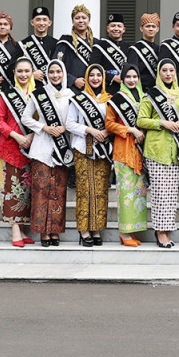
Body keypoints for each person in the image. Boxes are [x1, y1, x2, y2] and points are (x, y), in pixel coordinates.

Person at [137, 57, 179, 247]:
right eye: (164, 70)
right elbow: (141, 120)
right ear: (159, 73)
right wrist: (162, 123)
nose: (168, 73)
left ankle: (167, 230)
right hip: (156, 149)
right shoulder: (151, 95)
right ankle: (160, 232)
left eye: (171, 70)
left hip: (175, 150)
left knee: (171, 194)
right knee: (159, 193)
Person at [22, 59, 74, 246]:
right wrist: (44, 127)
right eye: (51, 72)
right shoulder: (39, 95)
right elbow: (26, 118)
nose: (55, 75)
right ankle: (43, 232)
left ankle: (55, 231)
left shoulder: (71, 95)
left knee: (58, 192)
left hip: (62, 148)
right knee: (41, 191)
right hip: (42, 148)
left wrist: (64, 128)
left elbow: (75, 119)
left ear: (64, 73)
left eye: (58, 72)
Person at [65, 64, 113, 247]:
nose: (95, 78)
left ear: (103, 78)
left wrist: (107, 132)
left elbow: (115, 122)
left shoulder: (109, 99)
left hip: (103, 149)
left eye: (98, 75)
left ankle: (96, 229)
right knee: (85, 190)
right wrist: (90, 130)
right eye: (91, 75)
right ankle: (84, 230)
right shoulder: (79, 99)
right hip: (82, 148)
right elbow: (69, 124)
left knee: (100, 191)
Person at [0, 57, 36, 247]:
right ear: (14, 74)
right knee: (11, 189)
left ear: (32, 73)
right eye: (20, 71)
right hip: (10, 147)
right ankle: (15, 230)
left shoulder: (38, 95)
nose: (23, 75)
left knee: (27, 190)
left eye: (27, 71)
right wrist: (17, 137)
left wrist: (32, 136)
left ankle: (23, 227)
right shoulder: (6, 95)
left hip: (32, 148)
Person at [105, 64, 148, 246]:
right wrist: (130, 129)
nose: (131, 80)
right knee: (125, 193)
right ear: (122, 79)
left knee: (138, 193)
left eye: (134, 76)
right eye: (128, 77)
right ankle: (124, 233)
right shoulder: (116, 99)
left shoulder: (144, 97)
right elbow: (109, 124)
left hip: (140, 150)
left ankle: (133, 230)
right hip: (123, 150)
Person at [55, 4, 95, 90]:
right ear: (73, 21)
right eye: (77, 18)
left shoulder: (96, 43)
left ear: (89, 20)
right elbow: (56, 65)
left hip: (92, 88)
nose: (81, 21)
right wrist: (73, 80)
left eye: (84, 18)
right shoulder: (65, 41)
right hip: (70, 88)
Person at [19, 6, 59, 84]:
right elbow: (13, 68)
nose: (41, 23)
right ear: (32, 22)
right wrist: (30, 75)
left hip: (51, 87)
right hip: (31, 88)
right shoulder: (22, 44)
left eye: (44, 20)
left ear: (49, 23)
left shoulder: (56, 43)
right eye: (38, 20)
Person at [96, 13, 129, 90]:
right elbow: (94, 68)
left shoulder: (128, 47)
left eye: (119, 26)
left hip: (124, 88)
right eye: (113, 26)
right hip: (105, 88)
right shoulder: (100, 46)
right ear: (107, 28)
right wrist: (112, 77)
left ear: (123, 29)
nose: (116, 29)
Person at [130, 12, 163, 88]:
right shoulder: (135, 49)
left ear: (157, 29)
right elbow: (132, 72)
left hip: (157, 90)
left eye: (153, 26)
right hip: (141, 89)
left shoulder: (159, 49)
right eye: (147, 26)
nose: (151, 29)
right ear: (141, 28)